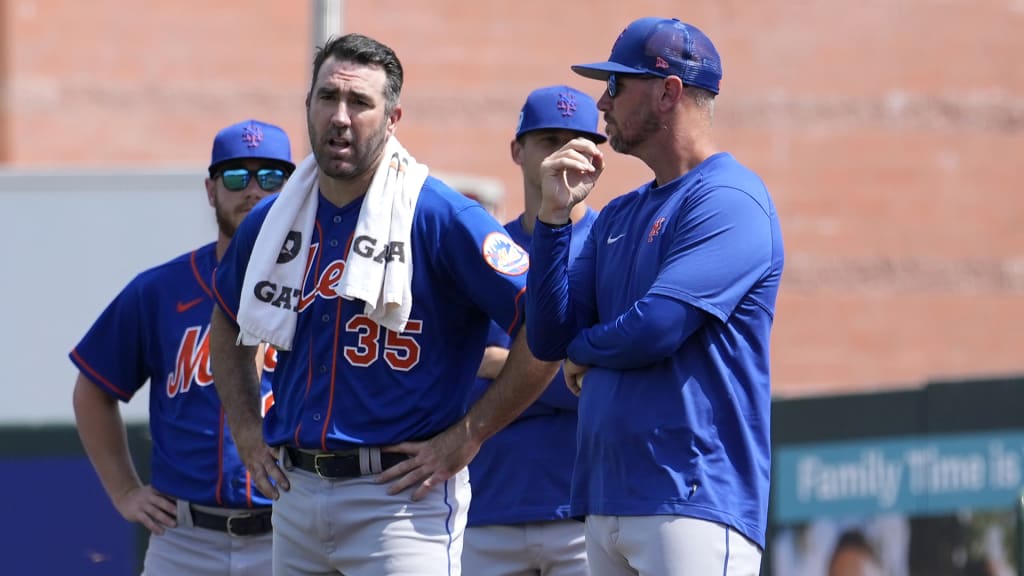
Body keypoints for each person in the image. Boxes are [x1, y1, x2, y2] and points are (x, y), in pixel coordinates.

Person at [208, 33, 560, 575]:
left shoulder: (440, 215)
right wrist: (247, 433)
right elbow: (228, 318)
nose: (340, 117)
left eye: (360, 103)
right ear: (308, 106)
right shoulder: (273, 220)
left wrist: (470, 434)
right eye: (327, 98)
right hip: (296, 490)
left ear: (393, 118)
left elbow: (546, 324)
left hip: (400, 498)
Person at [525, 17, 784, 576]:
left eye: (617, 85)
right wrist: (552, 219)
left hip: (692, 498)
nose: (602, 100)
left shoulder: (731, 199)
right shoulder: (618, 212)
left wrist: (583, 351)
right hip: (605, 497)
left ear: (668, 93)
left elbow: (657, 326)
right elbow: (548, 337)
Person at [70, 119, 296, 575]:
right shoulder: (159, 290)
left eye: (271, 177)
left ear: (292, 190)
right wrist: (125, 491)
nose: (253, 190)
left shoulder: (320, 286)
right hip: (185, 540)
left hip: (290, 532)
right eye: (236, 176)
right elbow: (93, 389)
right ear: (211, 190)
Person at [463, 85, 606, 576]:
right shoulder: (484, 250)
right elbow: (457, 380)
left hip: (588, 509)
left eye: (577, 142)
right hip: (488, 507)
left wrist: (502, 365)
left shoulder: (615, 243)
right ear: (517, 150)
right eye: (548, 140)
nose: (562, 154)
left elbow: (604, 385)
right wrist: (566, 368)